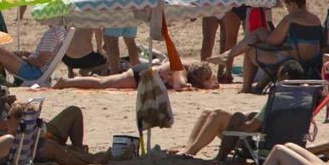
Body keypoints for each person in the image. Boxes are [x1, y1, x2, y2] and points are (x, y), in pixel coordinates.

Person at [178, 61, 305, 159]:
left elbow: (251, 127)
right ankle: (188, 148)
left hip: (265, 145)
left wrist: (238, 120)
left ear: (285, 76)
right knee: (207, 112)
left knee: (217, 114)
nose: (276, 80)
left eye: (278, 76)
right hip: (286, 142)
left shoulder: (278, 98)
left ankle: (190, 152)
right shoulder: (305, 98)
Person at [211, 0, 322, 93]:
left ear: (292, 4)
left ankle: (244, 86)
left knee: (250, 49)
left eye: (287, 7)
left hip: (289, 59)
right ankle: (257, 86)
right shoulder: (316, 19)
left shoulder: (290, 19)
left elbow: (272, 42)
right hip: (310, 61)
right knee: (259, 33)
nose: (288, 11)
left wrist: (263, 38)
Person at [56, 60, 217, 92]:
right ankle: (66, 82)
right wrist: (205, 86)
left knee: (103, 82)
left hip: (147, 72)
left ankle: (68, 81)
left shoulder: (190, 65)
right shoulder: (180, 69)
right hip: (141, 75)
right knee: (102, 83)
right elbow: (179, 86)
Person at [0, 24, 64, 83]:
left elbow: (40, 61)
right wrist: (24, 53)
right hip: (36, 71)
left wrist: (23, 59)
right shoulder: (60, 31)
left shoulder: (52, 33)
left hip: (35, 73)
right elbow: (44, 56)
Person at [36, 106, 110, 165]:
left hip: (40, 128)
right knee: (51, 146)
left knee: (74, 111)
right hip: (34, 144)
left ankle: (79, 151)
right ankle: (91, 159)